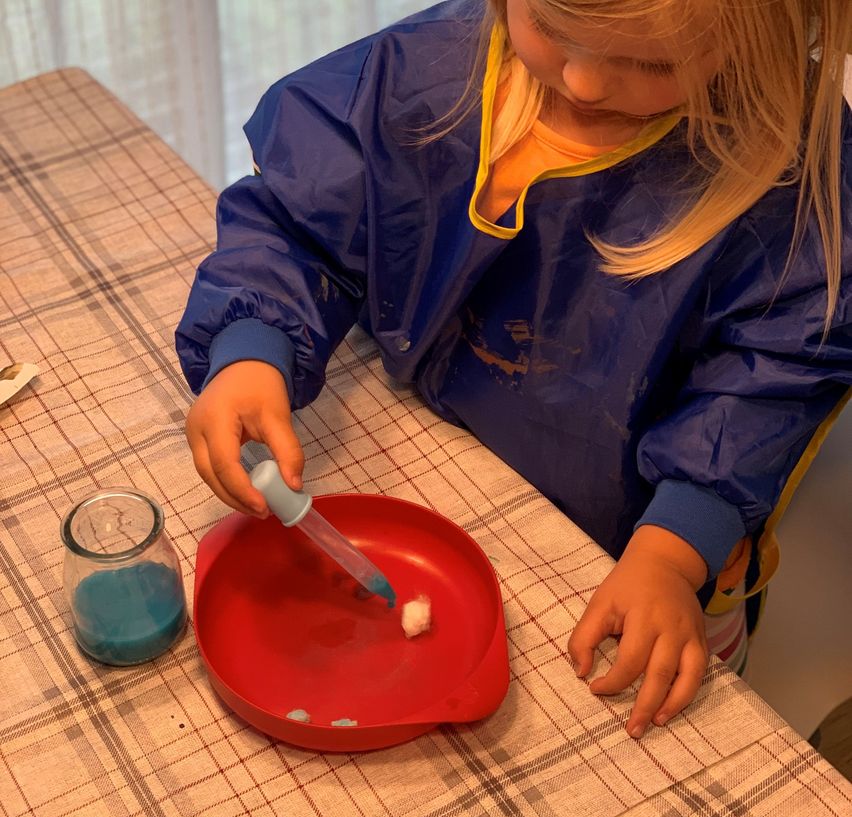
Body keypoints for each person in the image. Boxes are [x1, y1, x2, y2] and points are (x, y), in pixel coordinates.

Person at [176, 0, 852, 737]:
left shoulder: (792, 181)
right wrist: (251, 346)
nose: (584, 83)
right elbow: (296, 220)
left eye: (652, 63)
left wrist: (674, 552)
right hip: (447, 472)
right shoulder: (421, 75)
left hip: (651, 553)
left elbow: (771, 383)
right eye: (553, 31)